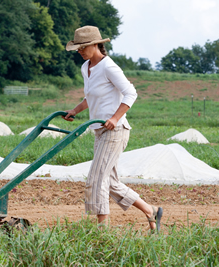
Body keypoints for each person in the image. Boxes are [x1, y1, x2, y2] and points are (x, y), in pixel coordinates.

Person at [62, 25, 163, 231]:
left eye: (83, 47)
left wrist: (116, 118)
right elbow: (90, 97)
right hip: (100, 130)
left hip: (115, 131)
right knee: (109, 181)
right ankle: (150, 210)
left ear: (95, 44)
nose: (80, 51)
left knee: (97, 178)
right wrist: (75, 110)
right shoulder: (86, 68)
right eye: (78, 48)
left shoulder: (109, 66)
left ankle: (102, 231)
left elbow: (130, 93)